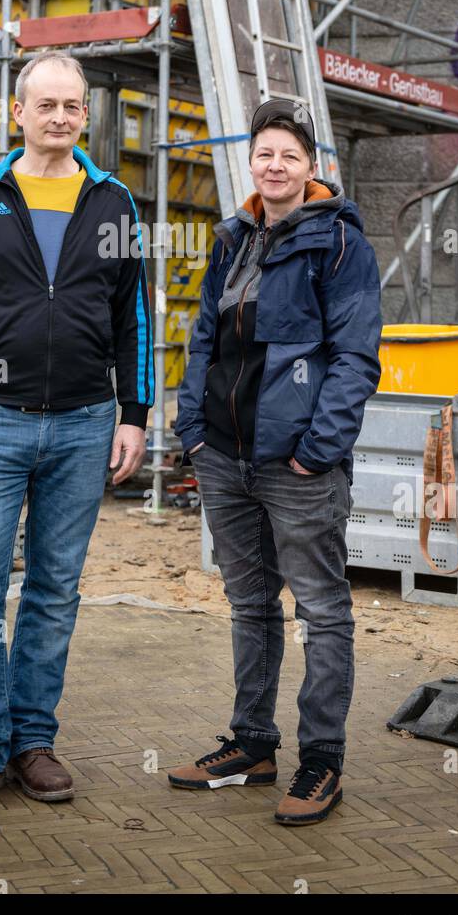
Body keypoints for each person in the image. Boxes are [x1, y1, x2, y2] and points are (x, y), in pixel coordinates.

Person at [0, 50, 154, 814]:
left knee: (55, 594)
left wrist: (135, 415)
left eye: (73, 105)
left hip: (87, 425)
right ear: (18, 112)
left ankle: (32, 742)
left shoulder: (114, 201)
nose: (59, 117)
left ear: (87, 115)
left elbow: (135, 320)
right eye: (46, 104)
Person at [168, 96, 382, 825]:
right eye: (265, 154)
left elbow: (355, 358)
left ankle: (321, 763)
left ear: (311, 166)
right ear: (251, 162)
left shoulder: (340, 243)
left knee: (322, 611)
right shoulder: (232, 238)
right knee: (250, 604)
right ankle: (252, 746)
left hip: (296, 465)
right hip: (225, 459)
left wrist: (318, 451)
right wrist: (191, 426)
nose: (276, 165)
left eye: (289, 155)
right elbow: (203, 336)